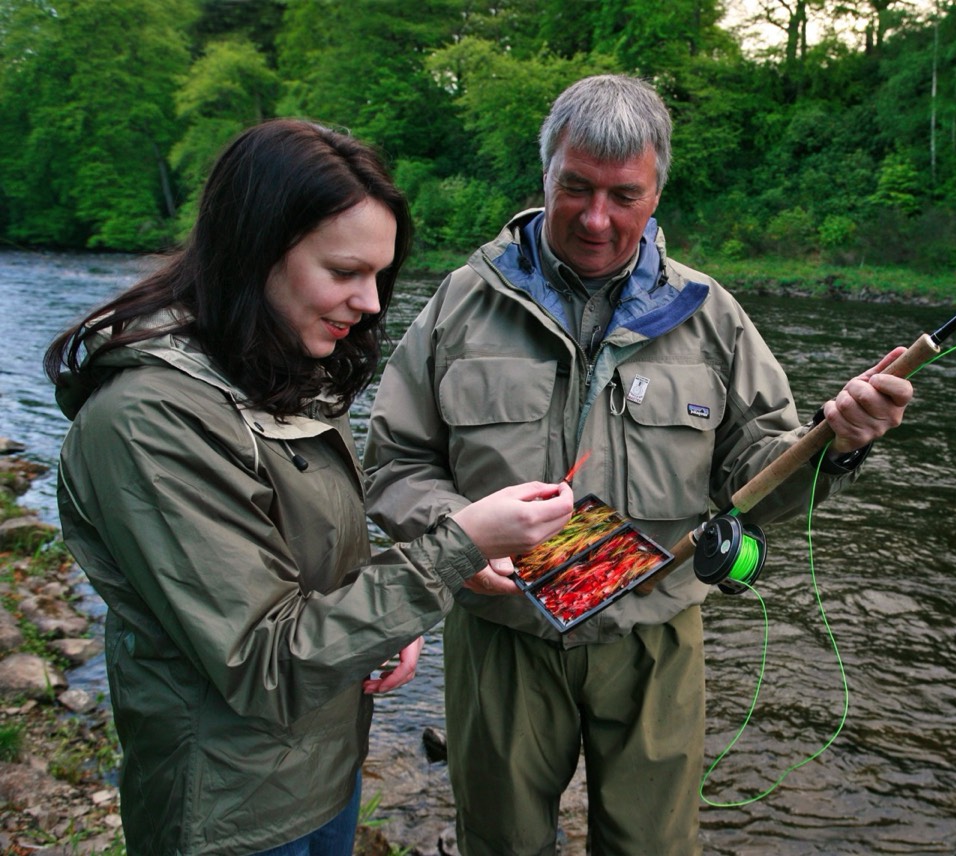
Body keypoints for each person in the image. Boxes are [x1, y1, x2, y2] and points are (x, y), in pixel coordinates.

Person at [363, 75, 914, 855]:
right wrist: (453, 538)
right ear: (545, 174)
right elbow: (394, 461)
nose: (596, 218)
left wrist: (842, 440)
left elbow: (761, 478)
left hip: (656, 634)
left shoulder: (713, 317)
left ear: (657, 191)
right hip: (501, 633)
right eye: (575, 188)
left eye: (624, 195)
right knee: (500, 844)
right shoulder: (459, 303)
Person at [43, 118, 573, 855]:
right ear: (255, 250)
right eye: (345, 273)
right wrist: (455, 550)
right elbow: (262, 663)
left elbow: (309, 579)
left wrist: (383, 628)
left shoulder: (271, 369)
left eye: (380, 277)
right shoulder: (147, 423)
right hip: (232, 815)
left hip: (322, 776)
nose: (372, 304)